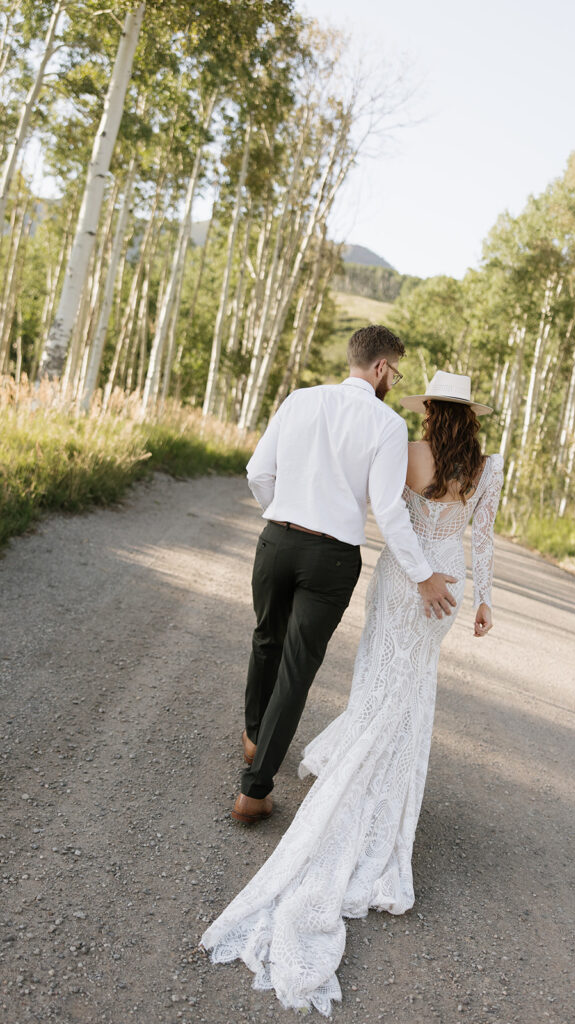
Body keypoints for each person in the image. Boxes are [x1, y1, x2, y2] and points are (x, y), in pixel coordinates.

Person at [200, 369, 504, 1016]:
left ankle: (350, 789)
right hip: (445, 591)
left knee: (376, 687)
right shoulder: (488, 466)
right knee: (411, 694)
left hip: (401, 583)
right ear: (472, 418)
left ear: (430, 411)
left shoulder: (411, 454)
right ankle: (386, 814)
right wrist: (483, 602)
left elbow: (377, 506)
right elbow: (482, 539)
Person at [232, 325, 457, 826]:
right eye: (395, 372)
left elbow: (257, 473)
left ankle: (253, 738)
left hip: (277, 540)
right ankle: (254, 792)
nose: (394, 381)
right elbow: (388, 510)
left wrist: (286, 515)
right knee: (296, 667)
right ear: (379, 368)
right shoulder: (387, 425)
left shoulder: (299, 400)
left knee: (265, 640)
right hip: (330, 558)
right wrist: (423, 574)